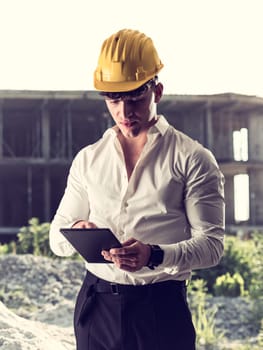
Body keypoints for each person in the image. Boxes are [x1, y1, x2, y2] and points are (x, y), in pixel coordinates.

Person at [49, 28, 225, 350]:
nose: (124, 112)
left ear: (157, 91)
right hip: (96, 306)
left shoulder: (193, 158)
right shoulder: (88, 159)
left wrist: (154, 254)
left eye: (135, 99)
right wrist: (77, 228)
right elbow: (56, 238)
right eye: (114, 100)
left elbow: (212, 246)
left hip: (160, 310)